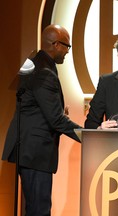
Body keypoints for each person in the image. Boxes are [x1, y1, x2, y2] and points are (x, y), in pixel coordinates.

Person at [2, 24, 82, 215]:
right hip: (35, 153)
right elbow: (55, 120)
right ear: (55, 44)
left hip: (29, 151)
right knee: (39, 210)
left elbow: (36, 108)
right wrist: (88, 136)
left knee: (34, 208)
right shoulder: (45, 72)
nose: (68, 52)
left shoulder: (35, 63)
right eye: (67, 46)